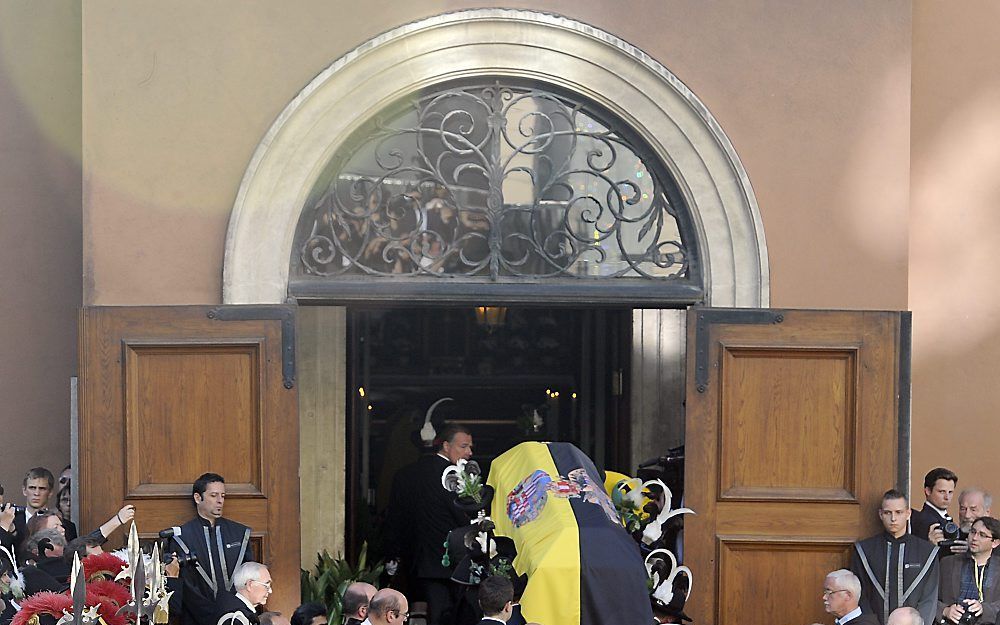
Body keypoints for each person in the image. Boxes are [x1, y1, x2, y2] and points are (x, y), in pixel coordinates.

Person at [409, 424, 474, 625]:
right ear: (446, 446)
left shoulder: (416, 471)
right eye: (463, 446)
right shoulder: (451, 474)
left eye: (470, 447)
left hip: (424, 558)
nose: (469, 453)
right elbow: (462, 514)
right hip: (449, 559)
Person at [170, 473, 255, 625]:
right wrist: (212, 616)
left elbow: (248, 577)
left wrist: (234, 611)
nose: (220, 501)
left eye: (223, 495)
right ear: (198, 498)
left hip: (237, 617)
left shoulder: (239, 533)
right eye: (214, 495)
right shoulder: (182, 537)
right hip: (196, 619)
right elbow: (186, 584)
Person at [851, 489, 940, 625]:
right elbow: (860, 595)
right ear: (881, 514)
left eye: (899, 512)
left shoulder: (927, 552)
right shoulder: (864, 550)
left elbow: (929, 597)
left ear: (908, 513)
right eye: (888, 513)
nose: (893, 518)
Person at [937, 516, 1000, 624]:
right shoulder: (947, 563)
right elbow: (929, 597)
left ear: (995, 543)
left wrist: (984, 609)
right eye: (973, 532)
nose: (975, 538)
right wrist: (945, 610)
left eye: (982, 535)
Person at [912, 468, 966, 555]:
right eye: (942, 492)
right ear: (928, 491)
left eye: (950, 492)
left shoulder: (941, 517)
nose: (947, 497)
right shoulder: (924, 521)